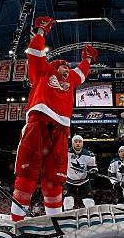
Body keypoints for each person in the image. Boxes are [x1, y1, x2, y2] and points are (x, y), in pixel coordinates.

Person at [11, 16, 98, 221]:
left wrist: (87, 59)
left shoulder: (71, 80)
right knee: (27, 174)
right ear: (55, 66)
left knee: (54, 179)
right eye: (65, 67)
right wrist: (41, 32)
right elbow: (34, 53)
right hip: (38, 123)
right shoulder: (44, 70)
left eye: (69, 68)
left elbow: (82, 73)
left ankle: (54, 224)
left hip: (61, 131)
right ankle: (15, 222)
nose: (68, 70)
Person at [63, 135, 98, 210]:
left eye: (80, 142)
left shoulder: (89, 154)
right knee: (68, 201)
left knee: (89, 201)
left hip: (84, 181)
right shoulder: (66, 153)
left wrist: (93, 172)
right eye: (76, 142)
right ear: (72, 143)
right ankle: (68, 217)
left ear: (82, 143)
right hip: (70, 181)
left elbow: (93, 167)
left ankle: (92, 216)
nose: (78, 143)